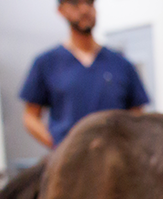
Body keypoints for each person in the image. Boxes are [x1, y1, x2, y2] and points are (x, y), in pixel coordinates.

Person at [19, 0, 149, 149]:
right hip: (69, 164)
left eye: (89, 2)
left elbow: (137, 115)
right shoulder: (46, 63)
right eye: (75, 3)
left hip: (116, 162)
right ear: (61, 11)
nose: (84, 9)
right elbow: (30, 117)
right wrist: (59, 147)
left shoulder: (121, 64)